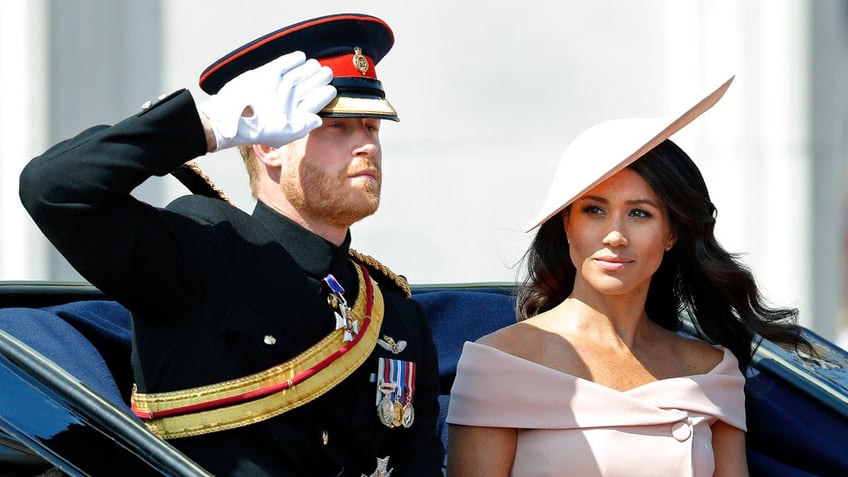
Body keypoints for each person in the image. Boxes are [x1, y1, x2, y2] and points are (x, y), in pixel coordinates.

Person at [19, 13, 443, 477]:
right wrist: (205, 126)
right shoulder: (205, 246)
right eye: (338, 126)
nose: (367, 145)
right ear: (269, 145)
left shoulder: (394, 313)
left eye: (373, 127)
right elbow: (54, 189)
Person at [445, 77, 809, 477]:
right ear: (566, 224)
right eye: (594, 211)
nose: (615, 235)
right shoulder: (499, 362)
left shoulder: (712, 371)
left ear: (671, 234)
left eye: (640, 213)